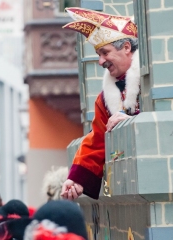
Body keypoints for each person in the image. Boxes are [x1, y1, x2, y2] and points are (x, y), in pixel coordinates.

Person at [60, 7, 140, 200]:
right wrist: (76, 179)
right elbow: (97, 140)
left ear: (127, 48)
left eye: (104, 52)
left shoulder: (151, 79)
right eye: (98, 54)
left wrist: (131, 119)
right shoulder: (104, 99)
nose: (100, 61)